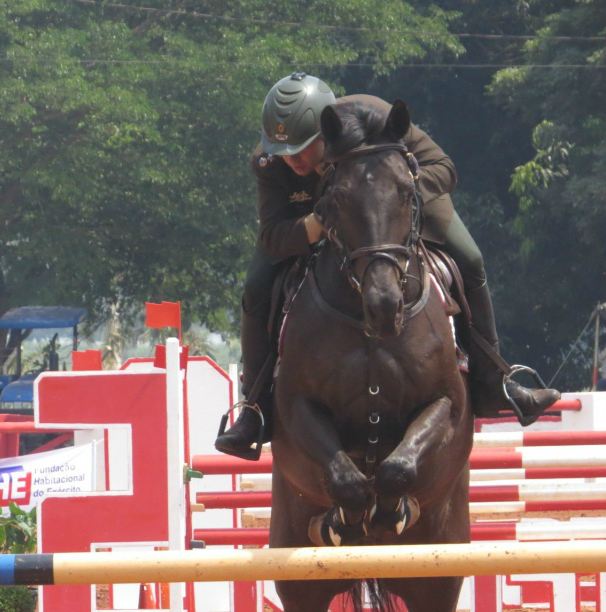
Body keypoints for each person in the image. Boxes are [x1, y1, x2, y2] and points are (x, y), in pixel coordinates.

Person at [215, 72, 560, 460]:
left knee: (471, 259)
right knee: (256, 286)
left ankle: (497, 379)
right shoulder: (269, 164)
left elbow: (444, 168)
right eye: (282, 149)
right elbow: (273, 235)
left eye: (302, 147)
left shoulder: (375, 118)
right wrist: (318, 223)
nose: (291, 158)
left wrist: (396, 194)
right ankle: (254, 407)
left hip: (396, 208)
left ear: (326, 131)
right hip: (314, 223)